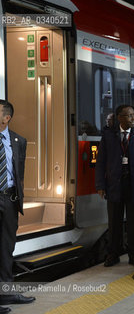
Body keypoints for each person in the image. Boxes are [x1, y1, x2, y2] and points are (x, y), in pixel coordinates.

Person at [95, 105, 134, 268]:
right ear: (119, 117)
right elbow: (100, 162)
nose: (133, 118)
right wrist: (100, 185)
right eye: (129, 116)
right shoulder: (109, 136)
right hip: (114, 186)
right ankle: (113, 254)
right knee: (114, 222)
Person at [0, 100, 35, 312]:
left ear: (6, 118)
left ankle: (5, 294)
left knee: (6, 249)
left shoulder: (18, 141)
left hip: (10, 199)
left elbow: (18, 173)